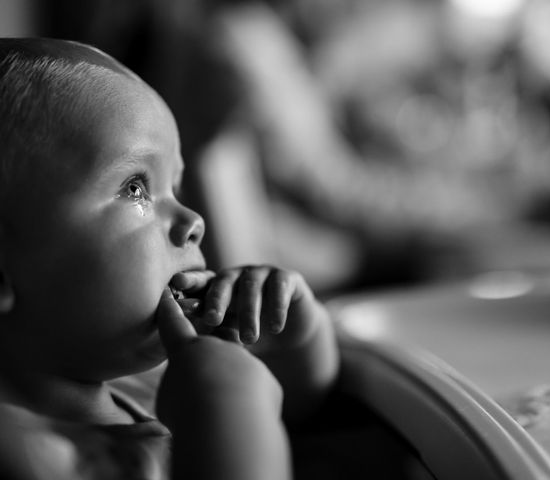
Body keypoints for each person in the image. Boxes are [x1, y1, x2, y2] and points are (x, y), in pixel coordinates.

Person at [0, 37, 339, 480]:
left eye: (174, 188)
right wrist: (229, 401)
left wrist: (294, 337)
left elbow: (291, 408)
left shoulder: (137, 378)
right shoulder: (32, 458)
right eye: (135, 188)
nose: (193, 220)